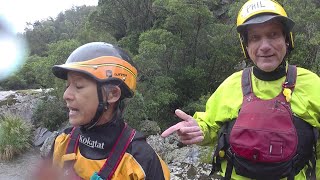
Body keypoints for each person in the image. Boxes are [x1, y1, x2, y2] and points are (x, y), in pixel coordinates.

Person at [161, 0, 320, 179]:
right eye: (255, 38)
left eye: (273, 34)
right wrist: (198, 131)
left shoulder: (312, 85)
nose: (265, 46)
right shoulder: (232, 84)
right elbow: (210, 125)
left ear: (287, 39)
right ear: (246, 46)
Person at [33, 42, 170, 180]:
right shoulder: (62, 143)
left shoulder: (141, 160)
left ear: (112, 94)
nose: (66, 95)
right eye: (68, 85)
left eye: (78, 86)